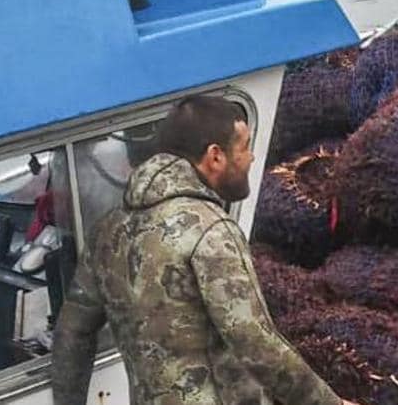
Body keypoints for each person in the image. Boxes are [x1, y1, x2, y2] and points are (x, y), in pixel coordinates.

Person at [51, 95, 359, 405]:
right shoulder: (210, 229)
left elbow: (71, 333)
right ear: (215, 156)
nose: (251, 158)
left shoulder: (107, 231)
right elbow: (254, 341)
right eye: (244, 146)